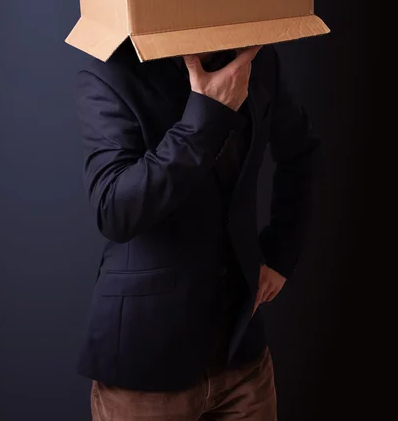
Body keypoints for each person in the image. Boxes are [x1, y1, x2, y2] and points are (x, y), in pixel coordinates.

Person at [74, 38, 320, 420]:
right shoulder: (112, 69)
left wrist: (281, 251)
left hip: (243, 360)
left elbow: (300, 151)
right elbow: (114, 210)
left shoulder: (256, 57)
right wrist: (205, 117)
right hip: (146, 367)